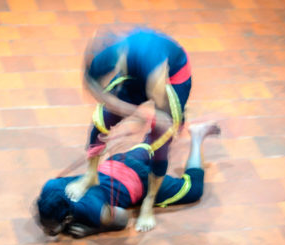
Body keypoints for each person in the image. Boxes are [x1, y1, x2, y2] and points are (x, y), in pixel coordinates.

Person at [65, 27, 192, 232]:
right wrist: (127, 110)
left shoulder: (151, 66)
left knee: (161, 142)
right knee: (101, 120)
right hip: (139, 75)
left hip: (171, 76)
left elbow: (158, 112)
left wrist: (148, 119)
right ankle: (90, 175)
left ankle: (149, 203)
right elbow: (92, 87)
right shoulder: (107, 57)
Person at [36, 122, 220, 238]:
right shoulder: (50, 187)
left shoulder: (92, 210)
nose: (46, 230)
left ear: (68, 217)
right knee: (152, 144)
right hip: (118, 163)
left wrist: (95, 229)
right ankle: (169, 120)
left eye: (52, 227)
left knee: (193, 190)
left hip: (142, 182)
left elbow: (122, 219)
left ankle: (197, 137)